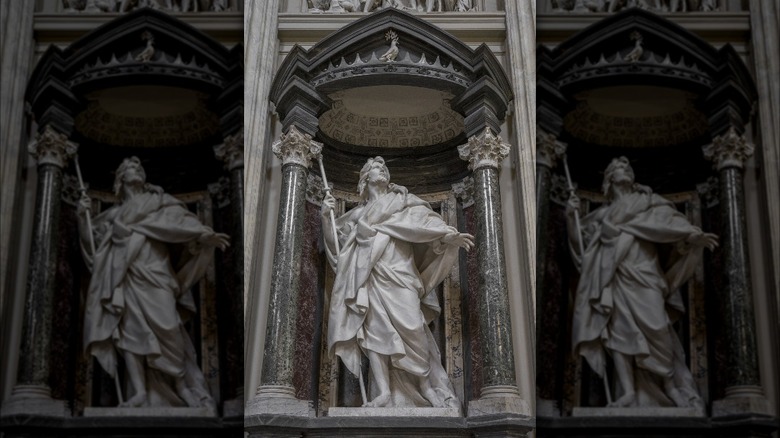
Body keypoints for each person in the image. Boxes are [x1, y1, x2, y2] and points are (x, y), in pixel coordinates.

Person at [321, 156, 474, 408]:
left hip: (401, 276)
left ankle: (427, 387)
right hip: (370, 278)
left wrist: (449, 235)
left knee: (414, 329)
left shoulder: (403, 202)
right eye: (376, 168)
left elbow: (427, 222)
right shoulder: (356, 216)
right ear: (364, 179)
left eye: (384, 168)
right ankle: (383, 393)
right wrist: (327, 218)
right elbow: (338, 254)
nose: (382, 170)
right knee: (375, 335)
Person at [77, 156, 229, 409]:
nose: (136, 170)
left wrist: (204, 235)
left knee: (170, 329)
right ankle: (138, 393)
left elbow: (182, 222)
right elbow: (94, 254)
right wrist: (83, 219)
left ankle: (182, 387)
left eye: (139, 167)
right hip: (125, 277)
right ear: (120, 178)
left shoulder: (159, 202)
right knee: (130, 334)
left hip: (157, 275)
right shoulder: (112, 216)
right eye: (130, 168)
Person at [566, 156, 717, 409]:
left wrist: (693, 235)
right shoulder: (601, 216)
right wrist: (571, 218)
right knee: (619, 335)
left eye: (628, 167)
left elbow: (671, 222)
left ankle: (671, 387)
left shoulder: (648, 202)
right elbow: (582, 253)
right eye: (618, 168)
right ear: (609, 178)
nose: (625, 170)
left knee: (659, 329)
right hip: (614, 278)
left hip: (646, 276)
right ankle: (628, 393)